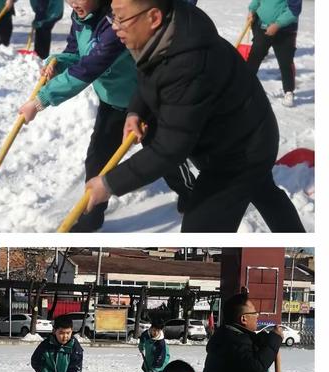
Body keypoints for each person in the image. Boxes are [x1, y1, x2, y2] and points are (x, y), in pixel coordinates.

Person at [83, 0, 306, 233]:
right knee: (263, 190)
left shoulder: (188, 64)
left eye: (120, 18)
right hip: (241, 131)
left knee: (199, 230)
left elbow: (170, 148)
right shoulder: (166, 33)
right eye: (112, 16)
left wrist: (109, 184)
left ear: (154, 17)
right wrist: (135, 110)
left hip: (242, 151)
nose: (114, 26)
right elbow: (148, 71)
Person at [19, 0, 194, 231]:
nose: (72, 3)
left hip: (142, 103)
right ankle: (91, 217)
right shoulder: (80, 19)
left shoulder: (116, 24)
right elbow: (76, 53)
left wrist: (41, 101)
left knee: (163, 157)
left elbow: (90, 66)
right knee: (97, 161)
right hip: (111, 104)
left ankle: (190, 192)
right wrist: (58, 62)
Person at [246, 0, 302, 107]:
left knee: (286, 62)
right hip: (262, 27)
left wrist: (277, 25)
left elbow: (294, 10)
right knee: (254, 58)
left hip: (285, 32)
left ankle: (289, 91)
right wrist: (252, 10)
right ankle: (245, 84)